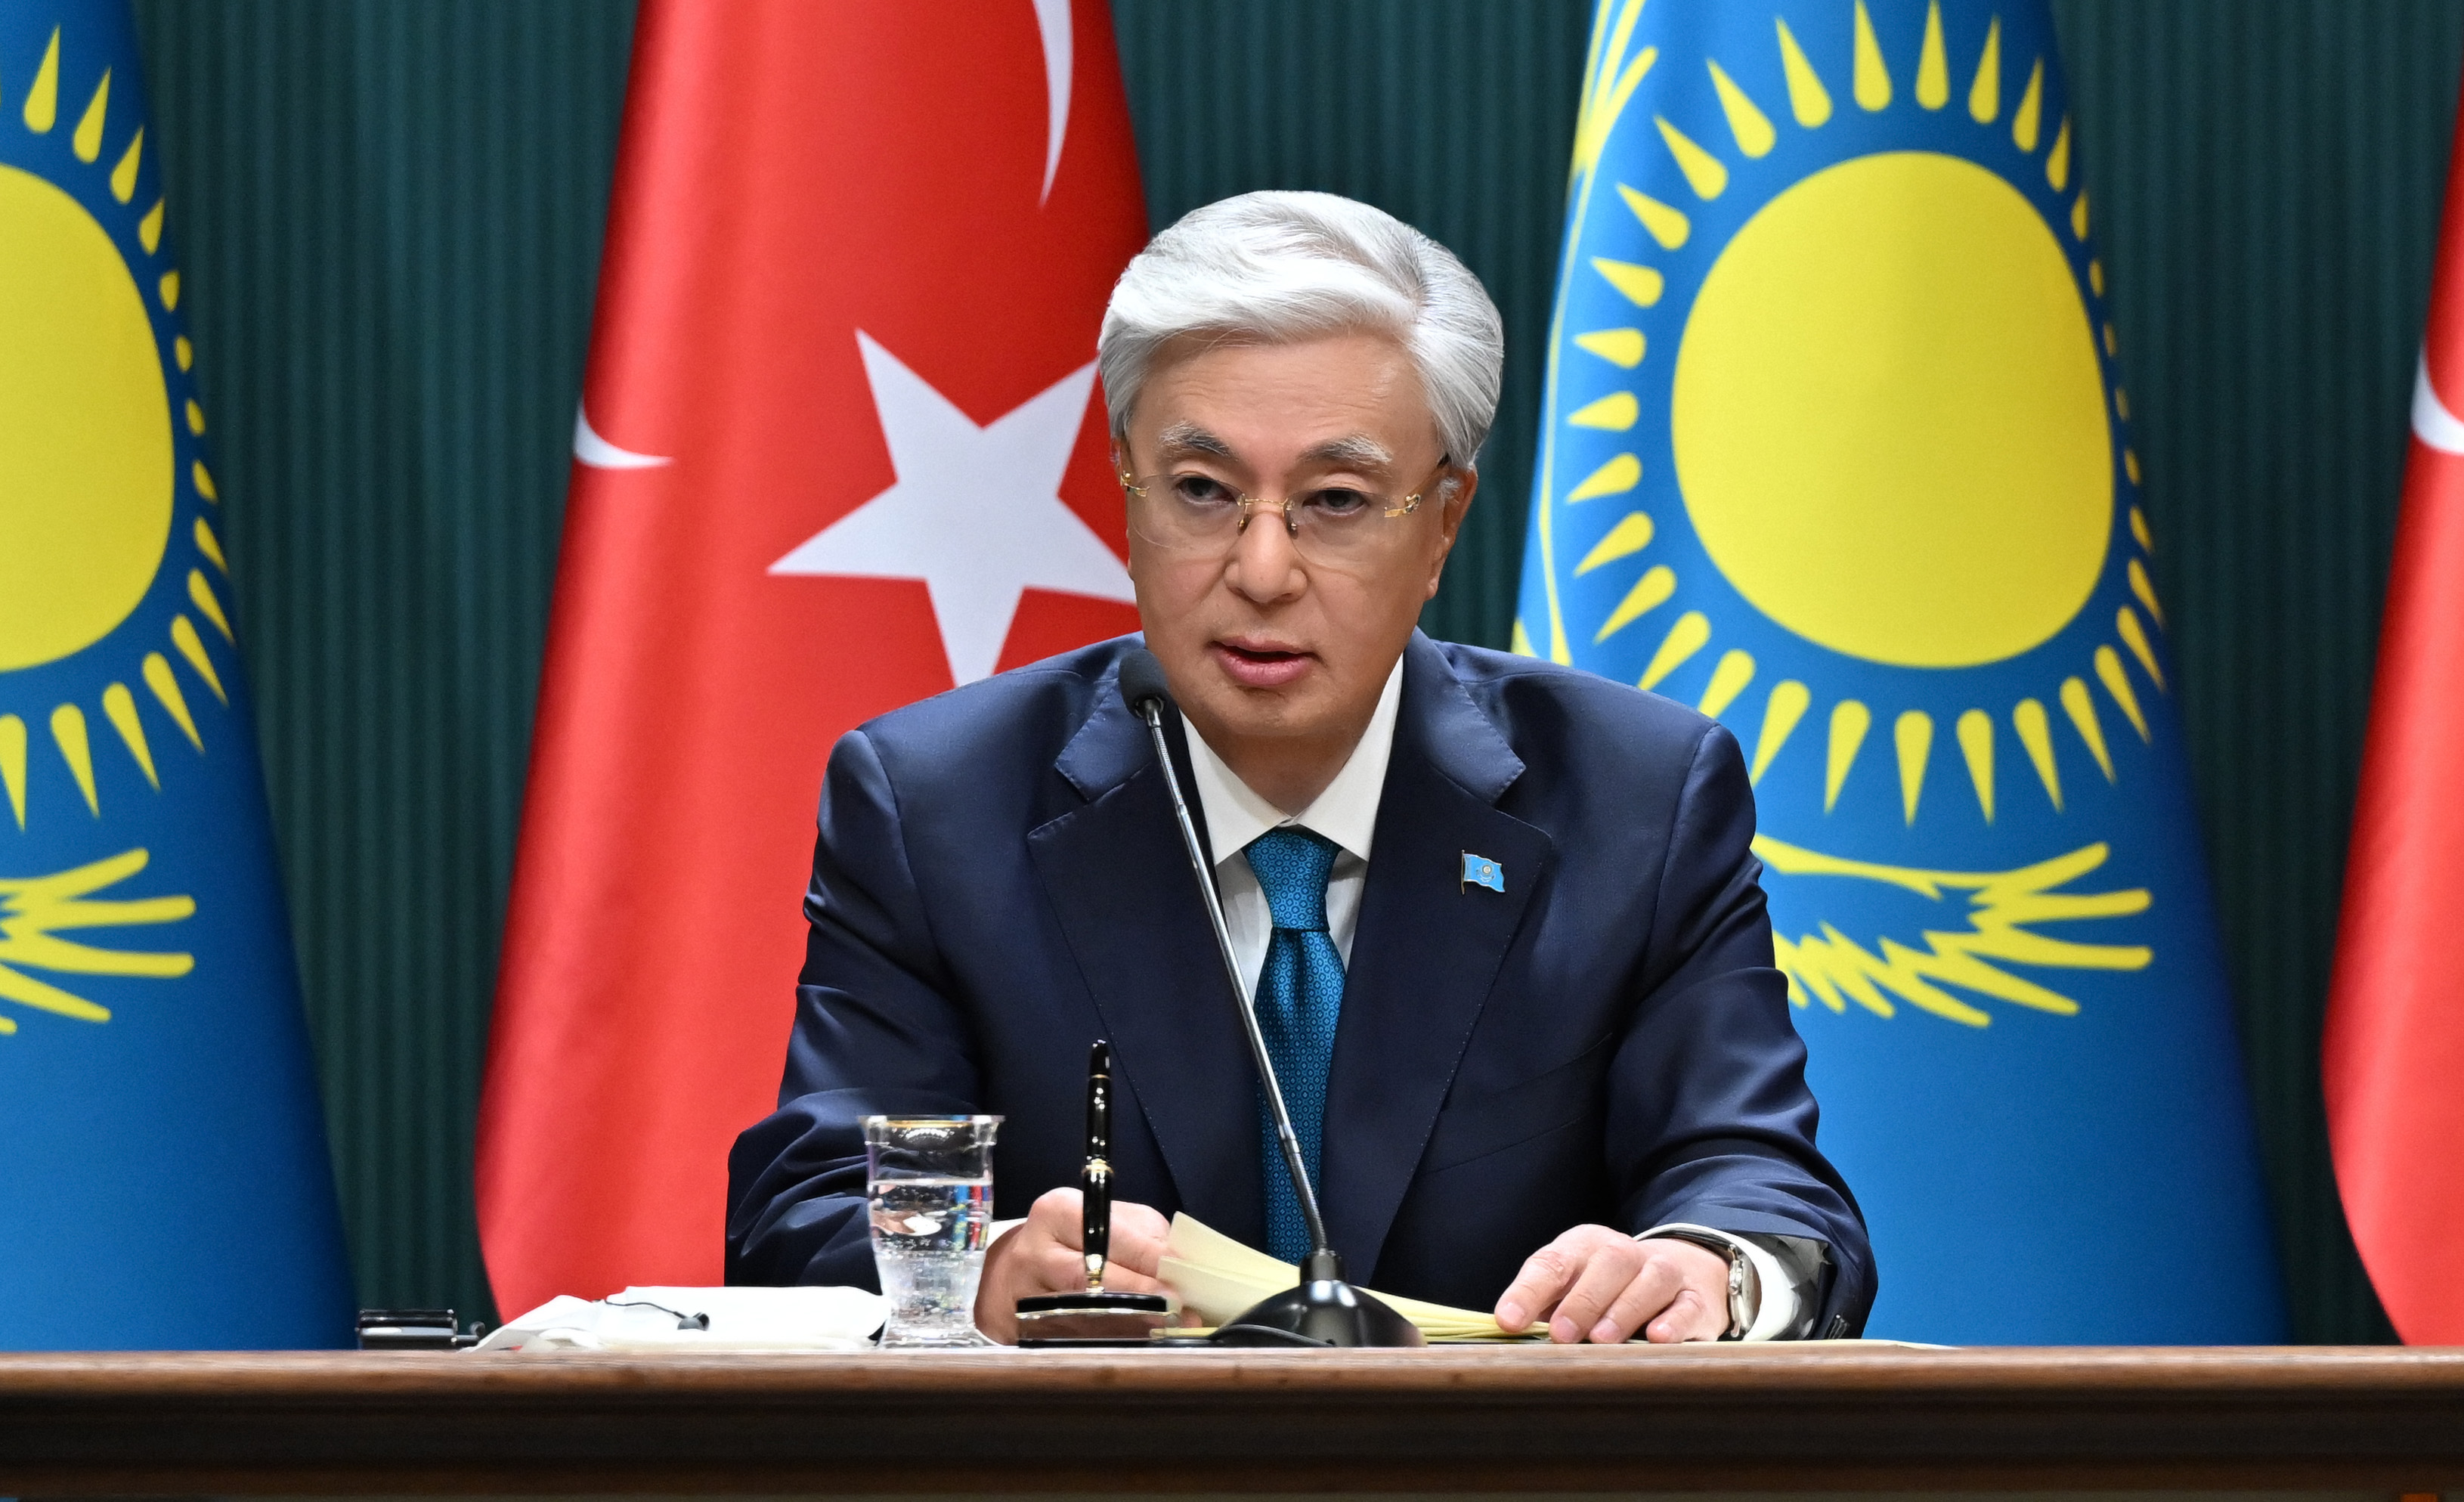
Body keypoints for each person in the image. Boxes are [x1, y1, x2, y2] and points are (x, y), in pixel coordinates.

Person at [726, 190, 1874, 1343]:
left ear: (1443, 523)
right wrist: (974, 1274)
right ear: (1126, 488)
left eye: (1335, 502)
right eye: (1202, 491)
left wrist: (1705, 1268)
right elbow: (801, 1213)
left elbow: (1761, 1189)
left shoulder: (1637, 801)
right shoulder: (934, 806)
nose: (1263, 571)